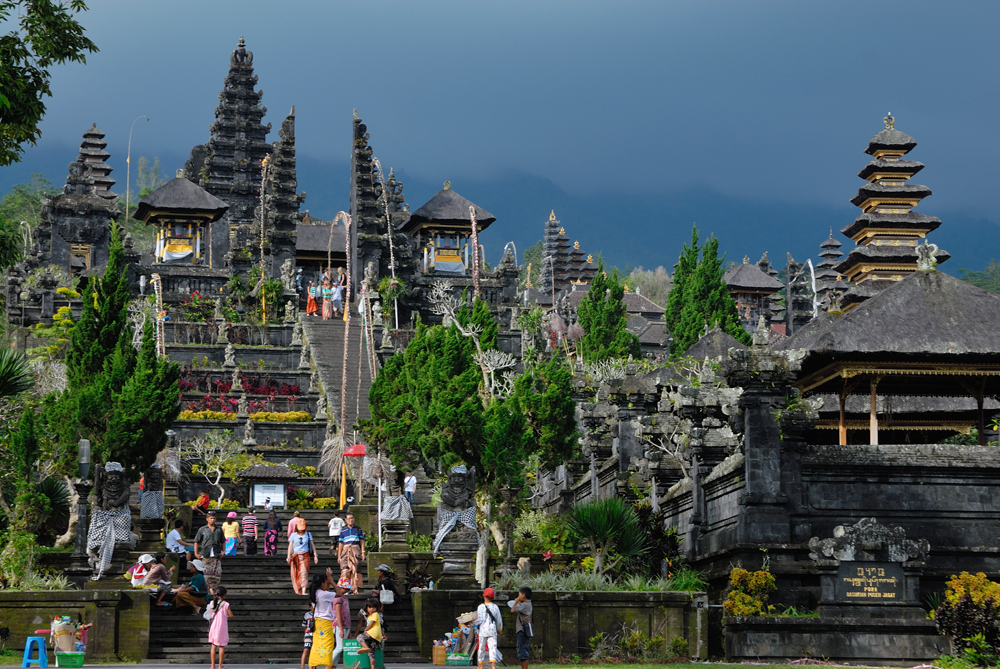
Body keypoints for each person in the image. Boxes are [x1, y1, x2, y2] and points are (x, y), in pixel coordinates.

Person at [307, 569, 339, 669]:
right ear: (322, 583)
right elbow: (339, 593)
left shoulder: (315, 593)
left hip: (317, 622)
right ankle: (328, 666)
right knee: (328, 646)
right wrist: (332, 581)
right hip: (325, 622)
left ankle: (312, 666)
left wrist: (328, 580)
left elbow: (327, 591)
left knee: (316, 646)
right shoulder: (323, 594)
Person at [194, 510, 225, 592]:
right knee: (206, 576)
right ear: (207, 519)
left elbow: (223, 541)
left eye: (214, 518)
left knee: (216, 576)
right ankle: (209, 592)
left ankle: (213, 591)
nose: (212, 520)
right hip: (205, 555)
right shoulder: (202, 529)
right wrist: (196, 553)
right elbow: (196, 542)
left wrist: (223, 552)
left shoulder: (219, 529)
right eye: (211, 518)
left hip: (216, 555)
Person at [287, 520, 319, 595]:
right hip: (296, 556)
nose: (301, 530)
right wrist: (288, 556)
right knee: (296, 573)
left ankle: (304, 590)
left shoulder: (308, 534)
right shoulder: (293, 535)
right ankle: (298, 590)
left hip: (305, 556)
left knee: (304, 573)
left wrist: (315, 555)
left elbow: (312, 545)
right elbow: (290, 546)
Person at [337, 513, 365, 590]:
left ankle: (354, 588)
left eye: (352, 518)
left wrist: (363, 552)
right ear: (345, 520)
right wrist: (339, 556)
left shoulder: (358, 529)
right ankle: (344, 588)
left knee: (355, 569)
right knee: (344, 570)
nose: (351, 520)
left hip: (355, 550)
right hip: (345, 551)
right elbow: (340, 544)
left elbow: (362, 541)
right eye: (349, 519)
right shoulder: (343, 530)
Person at [476, 587, 502, 669]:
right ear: (493, 597)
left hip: (483, 630)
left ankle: (480, 665)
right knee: (493, 647)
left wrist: (471, 622)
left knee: (481, 647)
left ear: (483, 596)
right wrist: (499, 629)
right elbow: (499, 620)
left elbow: (478, 620)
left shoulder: (480, 607)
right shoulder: (495, 607)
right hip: (492, 630)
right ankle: (493, 666)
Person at [208, 585, 232, 669]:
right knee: (221, 646)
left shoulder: (212, 603)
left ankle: (212, 665)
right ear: (224, 595)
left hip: (214, 626)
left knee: (213, 645)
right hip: (222, 627)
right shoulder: (226, 604)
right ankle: (220, 666)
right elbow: (231, 615)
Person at [509, 586, 533, 669]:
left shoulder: (524, 606)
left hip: (522, 631)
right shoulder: (527, 603)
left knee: (522, 652)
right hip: (525, 630)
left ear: (524, 595)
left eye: (519, 594)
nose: (518, 597)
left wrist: (515, 602)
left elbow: (512, 610)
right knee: (523, 651)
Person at [331, 578, 351, 664]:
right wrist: (341, 629)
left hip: (346, 624)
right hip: (340, 625)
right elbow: (338, 613)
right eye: (344, 588)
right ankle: (329, 663)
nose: (346, 590)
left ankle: (333, 665)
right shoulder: (337, 598)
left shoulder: (345, 598)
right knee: (340, 647)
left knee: (341, 647)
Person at [300, 603, 315, 669]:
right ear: (310, 607)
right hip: (308, 634)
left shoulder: (318, 615)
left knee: (314, 650)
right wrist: (304, 635)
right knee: (306, 649)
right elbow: (305, 626)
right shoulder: (307, 615)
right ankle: (302, 666)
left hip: (315, 634)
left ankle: (312, 666)